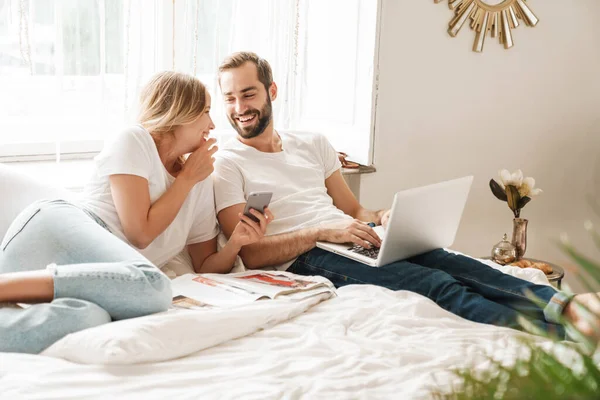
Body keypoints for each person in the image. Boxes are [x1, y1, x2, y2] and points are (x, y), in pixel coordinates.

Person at [212, 51, 600, 340]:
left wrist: (383, 217)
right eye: (230, 99)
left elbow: (356, 210)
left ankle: (566, 306)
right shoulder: (228, 165)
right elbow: (250, 253)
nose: (240, 108)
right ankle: (555, 339)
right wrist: (322, 233)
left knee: (453, 263)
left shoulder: (312, 143)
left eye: (248, 94)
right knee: (437, 284)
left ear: (271, 91)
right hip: (306, 257)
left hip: (353, 237)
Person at [0, 71, 270, 354]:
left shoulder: (199, 179)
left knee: (88, 317)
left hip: (92, 277)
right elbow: (139, 233)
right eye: (204, 111)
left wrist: (237, 242)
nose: (212, 124)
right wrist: (186, 178)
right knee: (154, 288)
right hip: (56, 231)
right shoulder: (133, 140)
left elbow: (203, 266)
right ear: (180, 112)